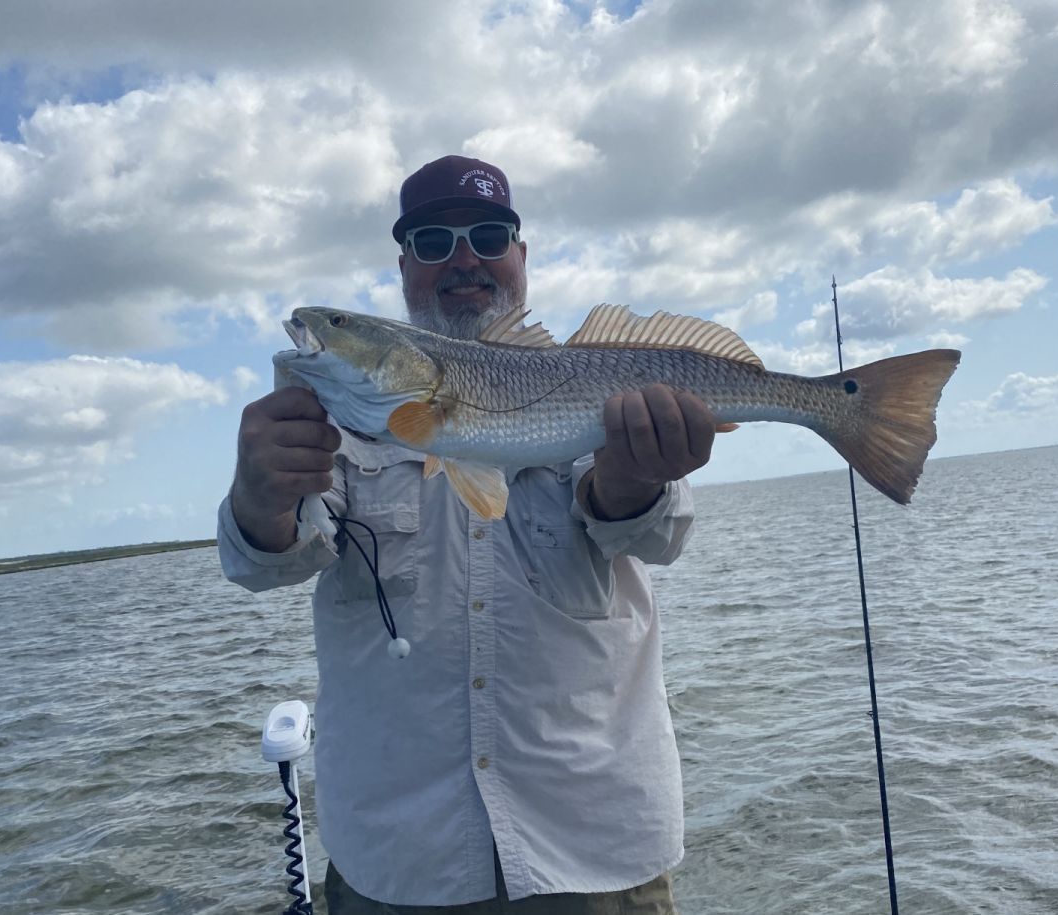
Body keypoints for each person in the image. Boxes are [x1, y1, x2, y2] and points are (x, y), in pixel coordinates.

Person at [219, 155, 720, 914]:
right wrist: (260, 489)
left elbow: (663, 536)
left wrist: (630, 481)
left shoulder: (596, 384)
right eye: (432, 241)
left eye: (489, 236)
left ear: (520, 257)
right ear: (403, 267)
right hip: (400, 861)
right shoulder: (338, 419)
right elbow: (267, 563)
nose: (463, 259)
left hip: (592, 847)